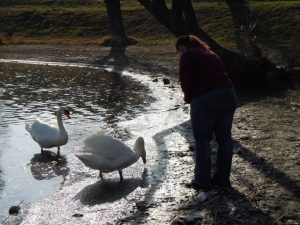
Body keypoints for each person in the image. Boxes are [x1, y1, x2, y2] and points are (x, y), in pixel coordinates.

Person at [176, 35, 237, 191]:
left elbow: (185, 81)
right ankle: (222, 179)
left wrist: (189, 98)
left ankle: (202, 181)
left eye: (178, 51)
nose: (179, 54)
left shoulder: (188, 55)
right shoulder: (209, 53)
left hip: (206, 98)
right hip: (228, 95)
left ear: (183, 47)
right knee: (225, 139)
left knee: (202, 140)